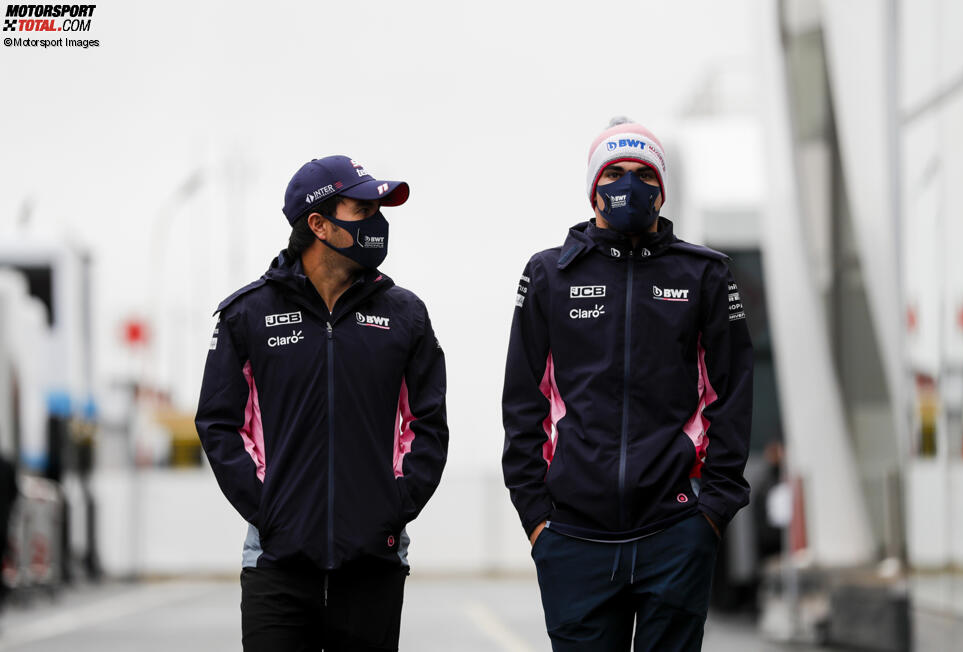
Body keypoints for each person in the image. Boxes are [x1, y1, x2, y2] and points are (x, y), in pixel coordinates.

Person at [502, 118, 753, 651]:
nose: (630, 184)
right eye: (615, 172)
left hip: (677, 529)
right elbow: (524, 402)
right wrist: (537, 519)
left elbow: (730, 396)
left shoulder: (704, 274)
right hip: (572, 538)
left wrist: (711, 512)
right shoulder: (549, 276)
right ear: (594, 187)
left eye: (644, 173)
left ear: (662, 189)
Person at [196, 155, 449, 652]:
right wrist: (269, 510)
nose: (378, 220)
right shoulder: (246, 314)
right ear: (318, 224)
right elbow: (219, 424)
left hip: (374, 562)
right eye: (363, 208)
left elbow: (428, 424)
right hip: (276, 563)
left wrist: (393, 508)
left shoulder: (406, 316)